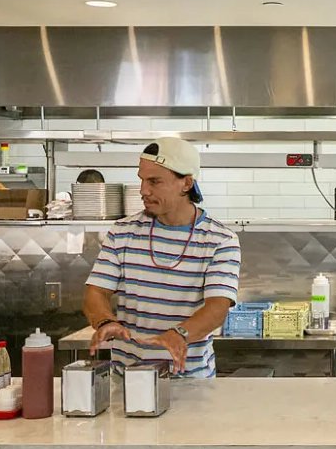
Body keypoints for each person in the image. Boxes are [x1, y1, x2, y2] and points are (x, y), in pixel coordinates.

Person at [84, 138, 239, 376]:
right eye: (142, 180)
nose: (143, 190)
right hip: (127, 381)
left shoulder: (220, 240)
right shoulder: (123, 231)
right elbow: (96, 291)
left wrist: (179, 334)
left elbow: (217, 308)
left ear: (186, 183)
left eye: (154, 182)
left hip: (191, 384)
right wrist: (105, 321)